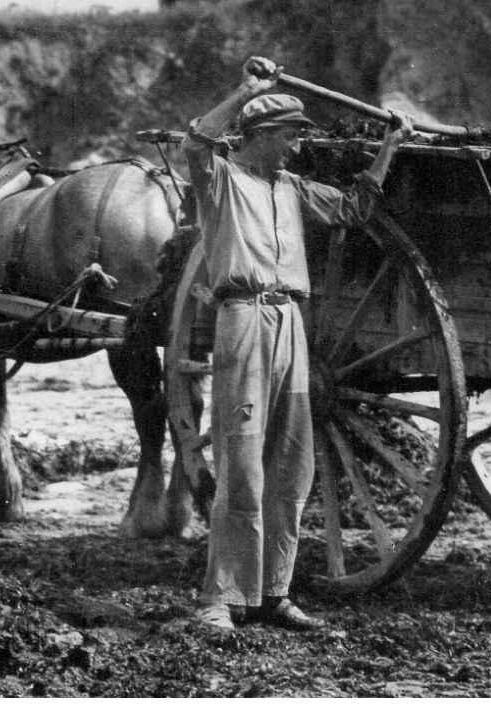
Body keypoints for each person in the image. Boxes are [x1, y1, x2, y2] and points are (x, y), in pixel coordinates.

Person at [183, 55, 414, 632]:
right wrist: (246, 90)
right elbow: (198, 138)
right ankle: (220, 598)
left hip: (292, 324)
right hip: (244, 320)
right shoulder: (220, 180)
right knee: (242, 461)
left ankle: (274, 593)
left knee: (292, 464)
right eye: (290, 137)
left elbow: (356, 209)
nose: (296, 148)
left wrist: (391, 145)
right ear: (260, 136)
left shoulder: (291, 188)